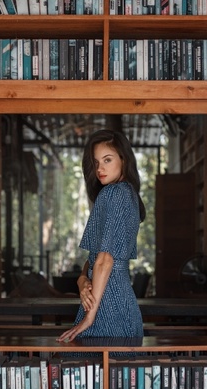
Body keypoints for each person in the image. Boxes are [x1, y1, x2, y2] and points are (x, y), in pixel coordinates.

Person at [57, 129, 146, 343]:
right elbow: (96, 256)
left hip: (108, 301)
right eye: (96, 163)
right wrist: (81, 279)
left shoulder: (115, 193)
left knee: (92, 371)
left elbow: (105, 259)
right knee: (115, 373)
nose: (100, 169)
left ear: (124, 160)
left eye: (107, 159)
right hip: (118, 299)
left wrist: (89, 318)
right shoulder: (128, 194)